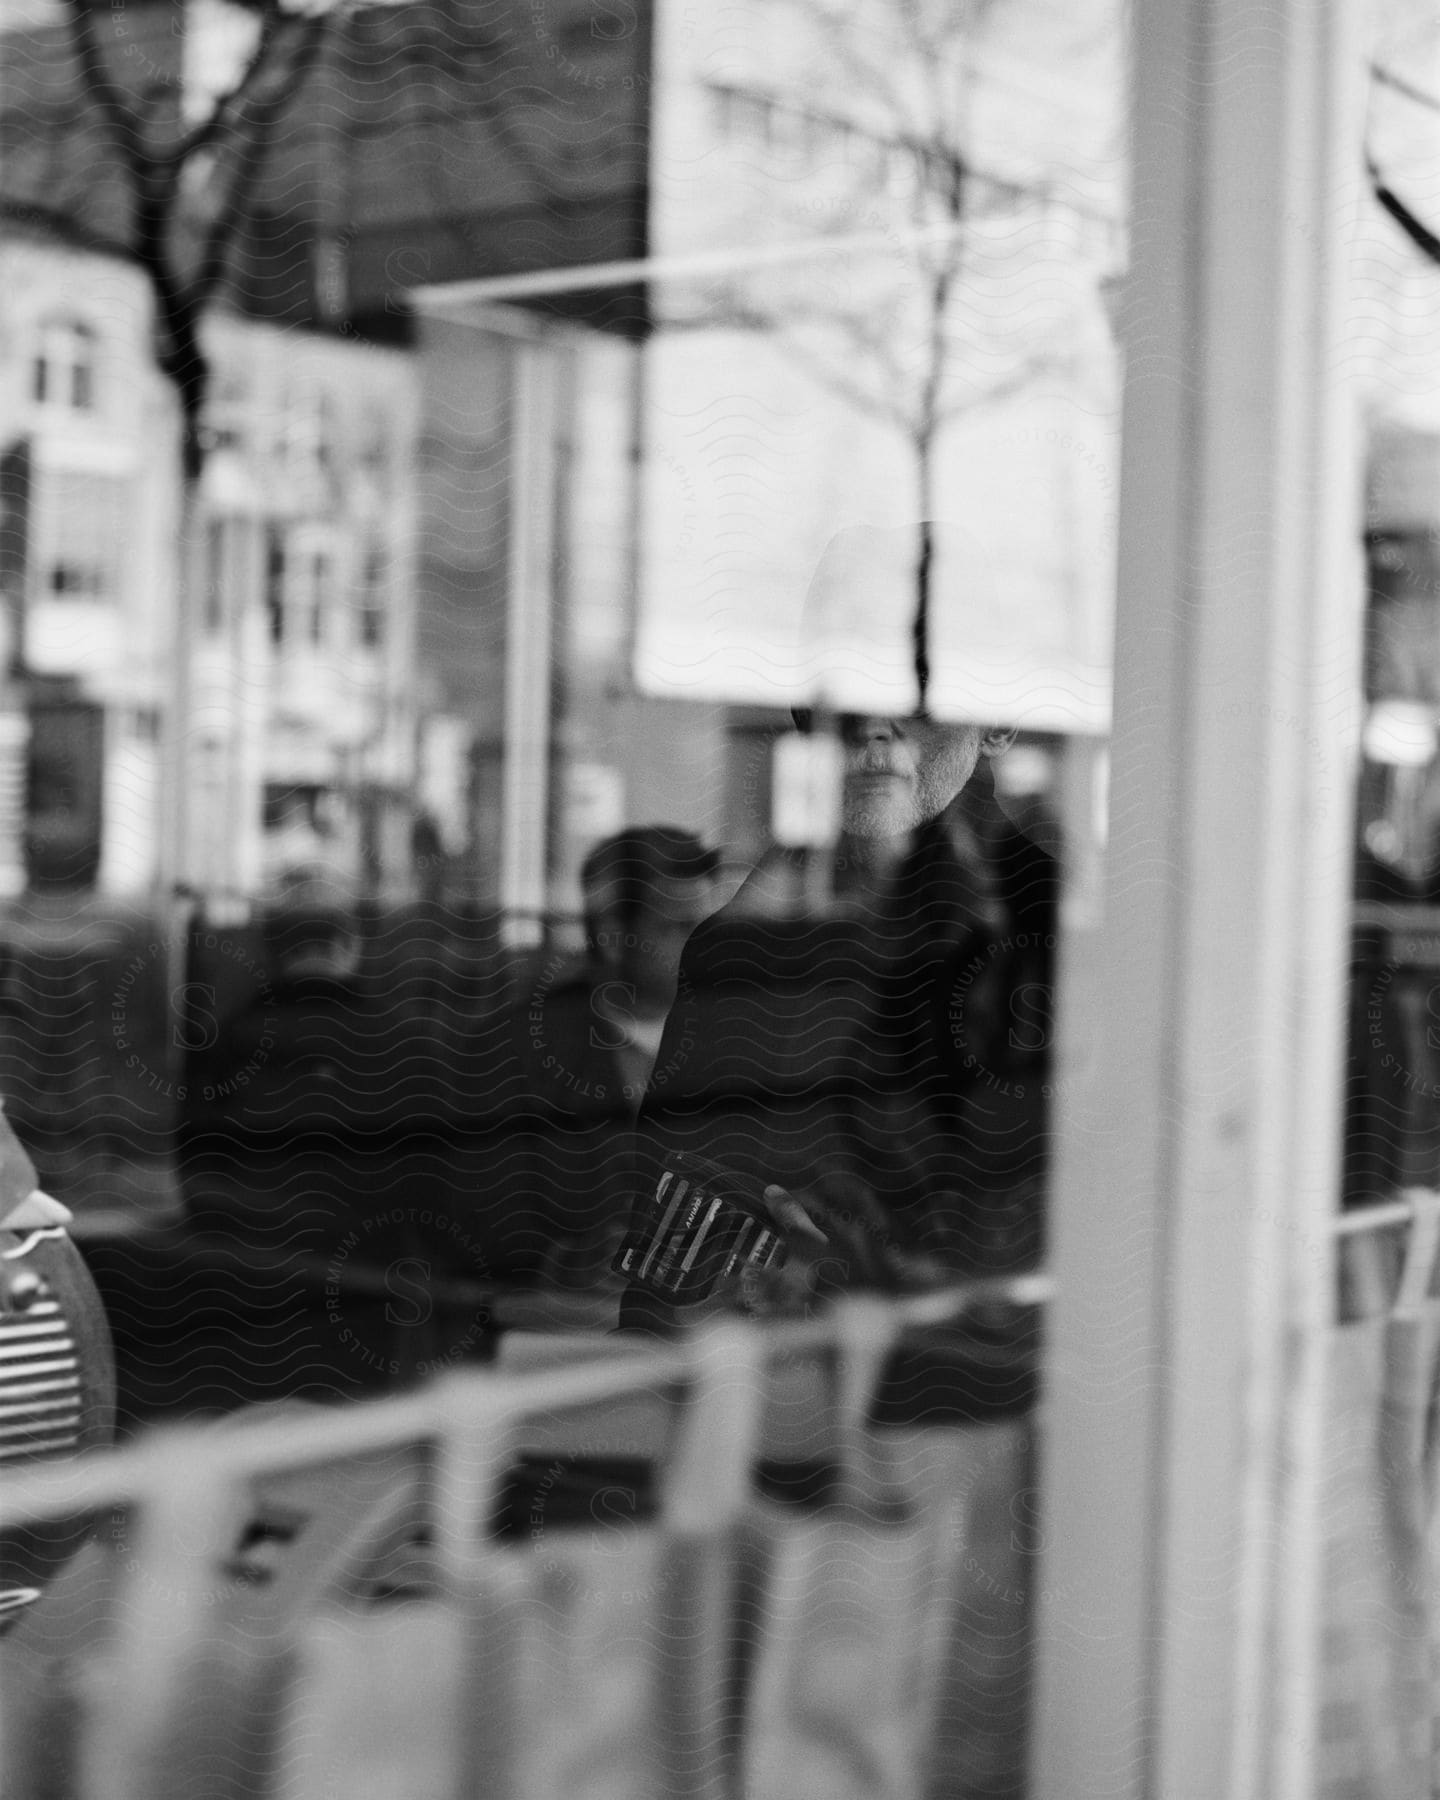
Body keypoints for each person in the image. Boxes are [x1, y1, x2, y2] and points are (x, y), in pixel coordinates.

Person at [616, 525, 1058, 1334]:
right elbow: (668, 1277)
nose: (875, 722)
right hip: (773, 1402)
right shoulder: (750, 938)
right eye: (848, 676)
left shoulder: (1062, 937)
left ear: (995, 715)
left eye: (913, 679)